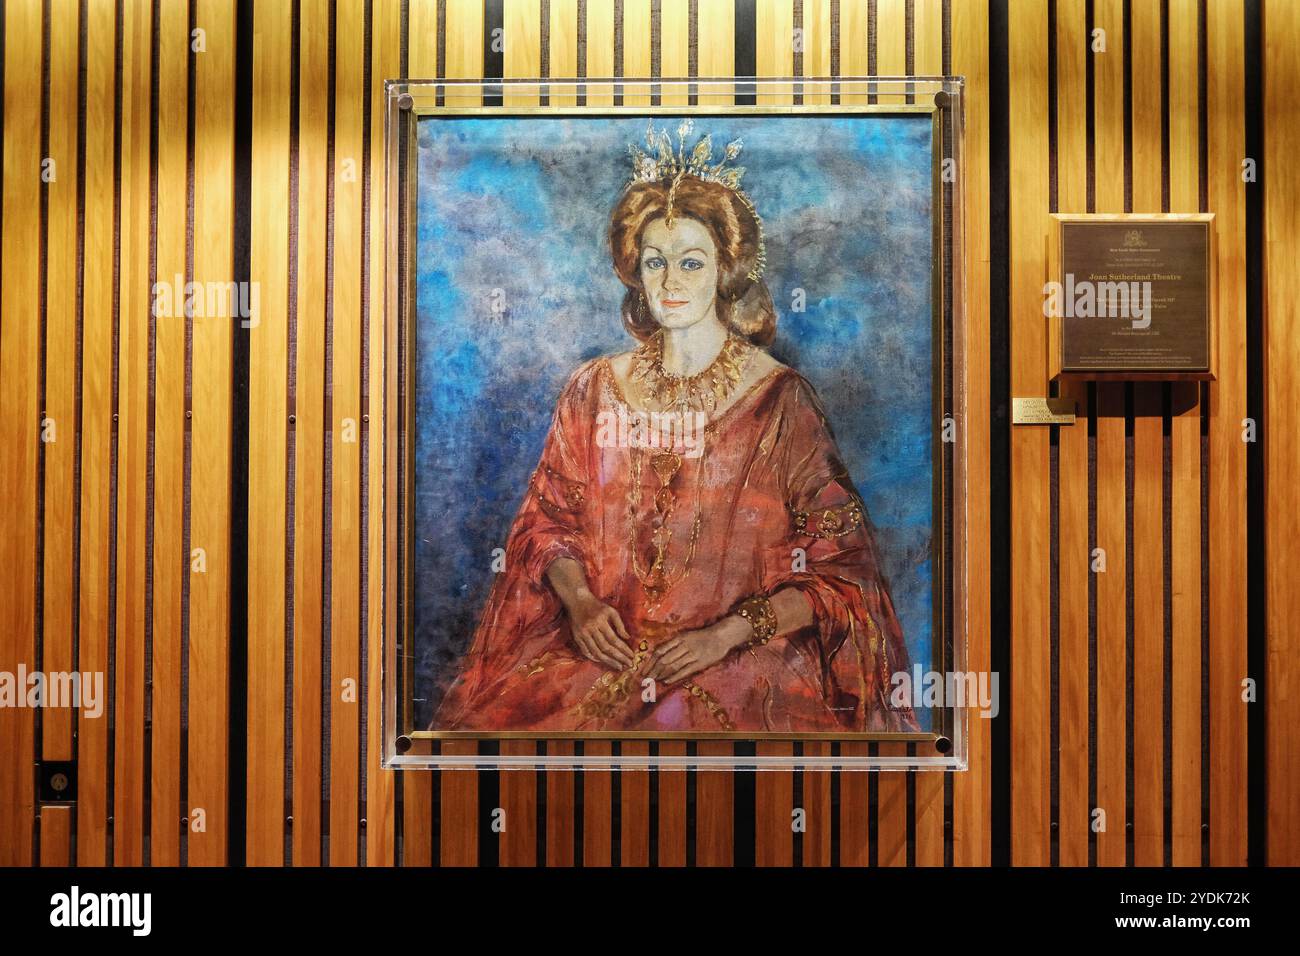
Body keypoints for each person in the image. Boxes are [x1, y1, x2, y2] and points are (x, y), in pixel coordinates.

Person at [433, 120, 919, 733]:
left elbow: (843, 574)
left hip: (741, 664)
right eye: (655, 262)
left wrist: (727, 635)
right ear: (634, 271)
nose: (671, 282)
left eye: (691, 262)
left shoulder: (779, 401)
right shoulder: (593, 389)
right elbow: (546, 522)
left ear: (725, 269)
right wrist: (581, 604)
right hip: (601, 658)